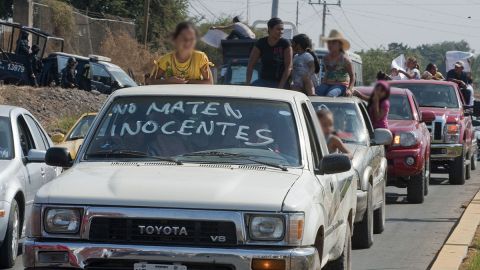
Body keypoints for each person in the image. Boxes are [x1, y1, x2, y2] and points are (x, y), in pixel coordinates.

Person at [147, 22, 213, 85]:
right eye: (184, 38)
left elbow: (209, 82)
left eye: (191, 39)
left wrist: (185, 82)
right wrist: (168, 81)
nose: (187, 42)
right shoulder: (166, 60)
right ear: (175, 39)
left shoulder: (200, 58)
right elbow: (151, 81)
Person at [246, 17, 292, 88]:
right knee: (253, 90)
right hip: (263, 81)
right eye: (278, 29)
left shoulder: (285, 44)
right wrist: (247, 85)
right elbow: (250, 65)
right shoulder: (261, 43)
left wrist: (280, 87)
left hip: (280, 83)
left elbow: (288, 67)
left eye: (282, 29)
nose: (281, 32)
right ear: (270, 29)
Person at [315, 30, 355, 97]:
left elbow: (352, 76)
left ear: (340, 45)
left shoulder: (345, 60)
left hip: (341, 85)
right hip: (327, 83)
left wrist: (349, 89)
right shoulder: (326, 58)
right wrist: (322, 84)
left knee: (331, 94)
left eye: (333, 43)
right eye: (329, 42)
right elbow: (327, 72)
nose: (330, 45)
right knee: (317, 92)